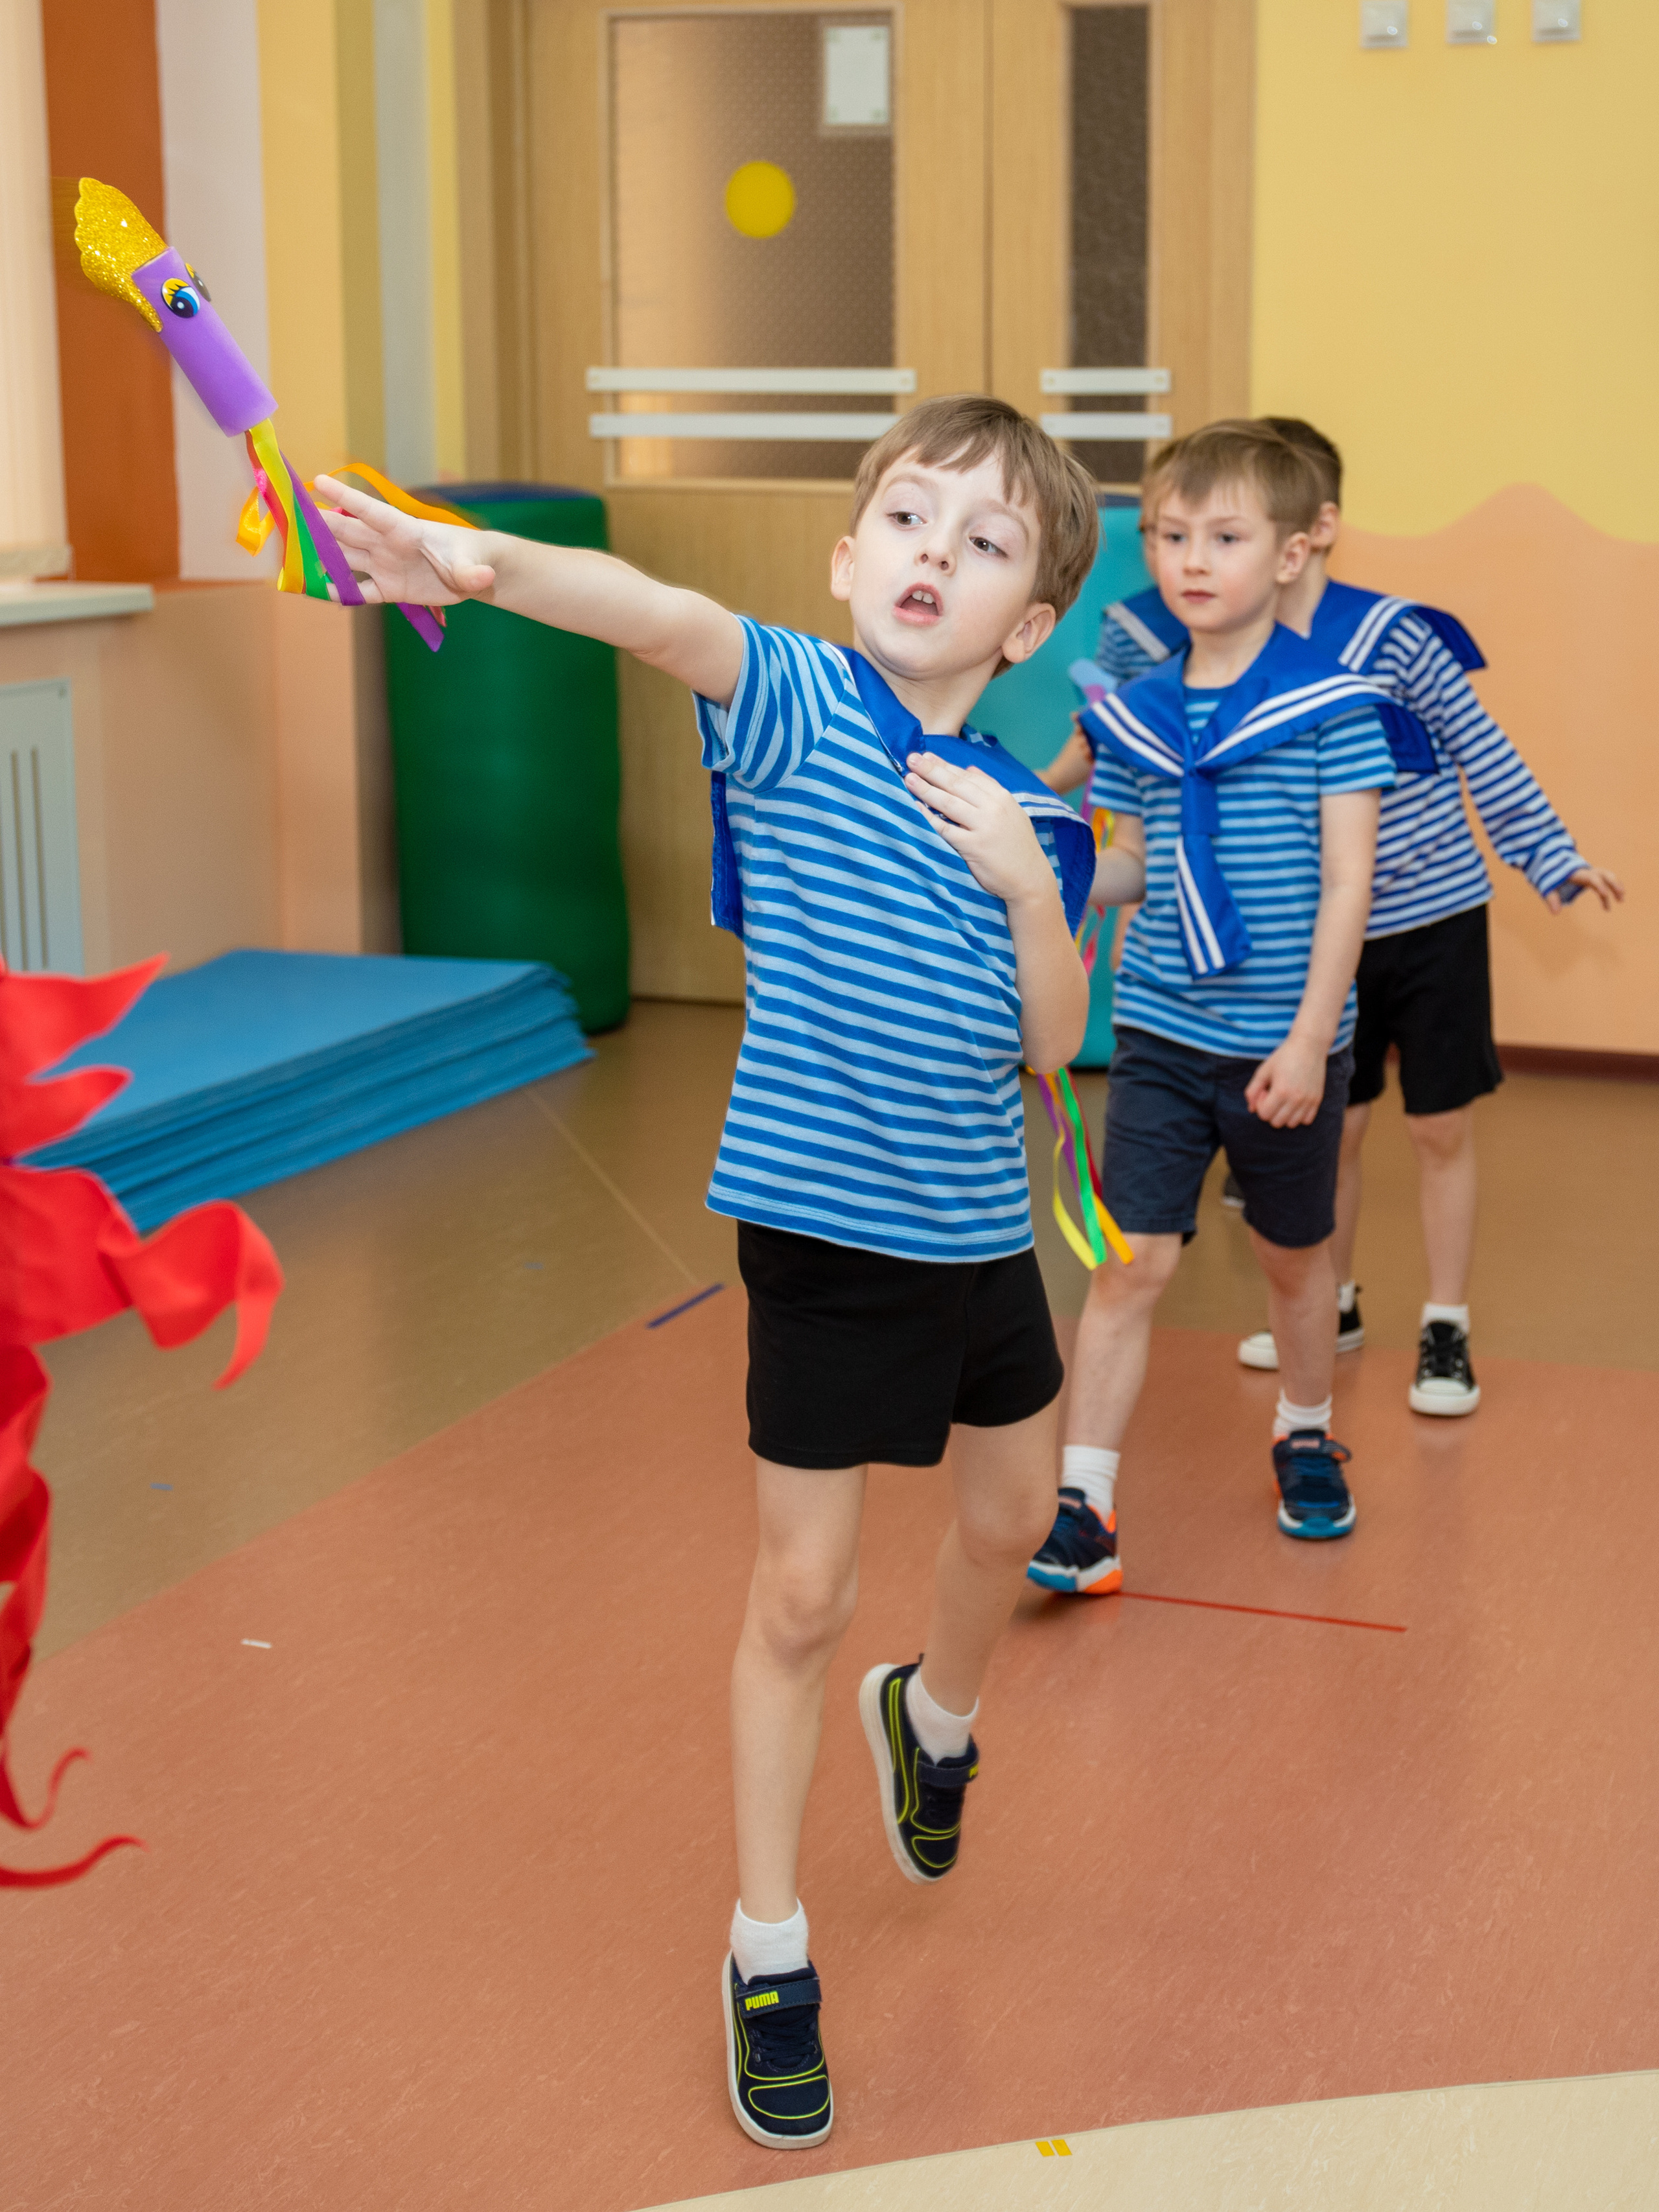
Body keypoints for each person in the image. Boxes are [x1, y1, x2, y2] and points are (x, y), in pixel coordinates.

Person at [313, 397, 1100, 2151]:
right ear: (846, 554)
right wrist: (471, 560)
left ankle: (935, 1714)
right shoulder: (797, 702)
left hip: (979, 1231)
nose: (933, 555)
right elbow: (654, 612)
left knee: (1009, 1520)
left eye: (984, 544)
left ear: (1028, 623)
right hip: (819, 1229)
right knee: (801, 1595)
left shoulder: (1024, 817)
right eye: (909, 518)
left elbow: (1054, 1041)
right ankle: (767, 1946)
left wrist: (1030, 886)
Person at [1025, 422, 1398, 1603]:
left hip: (1286, 1043)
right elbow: (1135, 862)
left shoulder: (1333, 706)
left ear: (1291, 554)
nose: (1192, 559)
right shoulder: (1136, 712)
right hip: (1162, 1033)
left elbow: (1349, 885)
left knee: (1293, 1261)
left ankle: (1304, 1431)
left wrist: (1309, 1040)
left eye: (1225, 537)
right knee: (1130, 1263)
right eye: (1172, 535)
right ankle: (1085, 1502)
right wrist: (1046, 865)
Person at [1237, 421, 1622, 1412]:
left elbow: (1482, 748)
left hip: (1433, 919)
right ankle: (1332, 1301)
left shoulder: (1395, 636)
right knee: (1334, 1127)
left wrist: (1551, 855)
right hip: (1322, 935)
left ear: (1316, 529)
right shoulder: (1235, 647)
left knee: (1439, 1128)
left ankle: (1446, 1325)